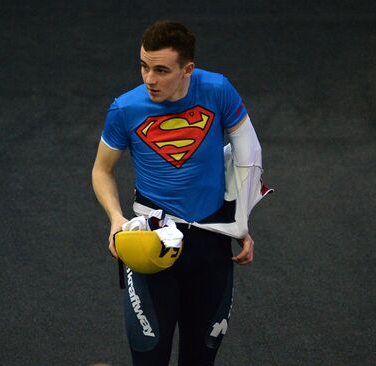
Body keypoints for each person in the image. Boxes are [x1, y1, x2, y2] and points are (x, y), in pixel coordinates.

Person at [92, 20, 263, 366]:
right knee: (149, 357)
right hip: (152, 244)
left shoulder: (218, 91)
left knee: (200, 360)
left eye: (160, 70)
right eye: (143, 66)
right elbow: (101, 170)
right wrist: (115, 218)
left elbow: (249, 154)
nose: (149, 79)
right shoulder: (125, 109)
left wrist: (241, 221)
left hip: (211, 244)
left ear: (187, 69)